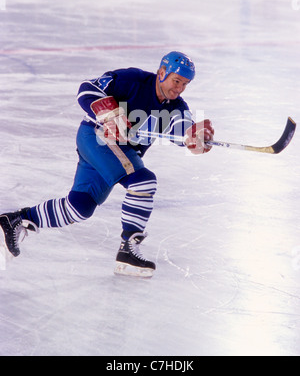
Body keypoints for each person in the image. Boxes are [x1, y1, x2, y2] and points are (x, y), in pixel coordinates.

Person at [0, 51, 214, 277]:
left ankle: (15, 220)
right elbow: (87, 88)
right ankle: (128, 251)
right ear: (162, 73)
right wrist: (108, 113)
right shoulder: (132, 81)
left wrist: (195, 137)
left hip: (116, 151)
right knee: (143, 181)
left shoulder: (176, 107)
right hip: (96, 137)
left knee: (79, 207)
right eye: (176, 81)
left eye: (185, 84)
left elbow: (181, 130)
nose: (179, 88)